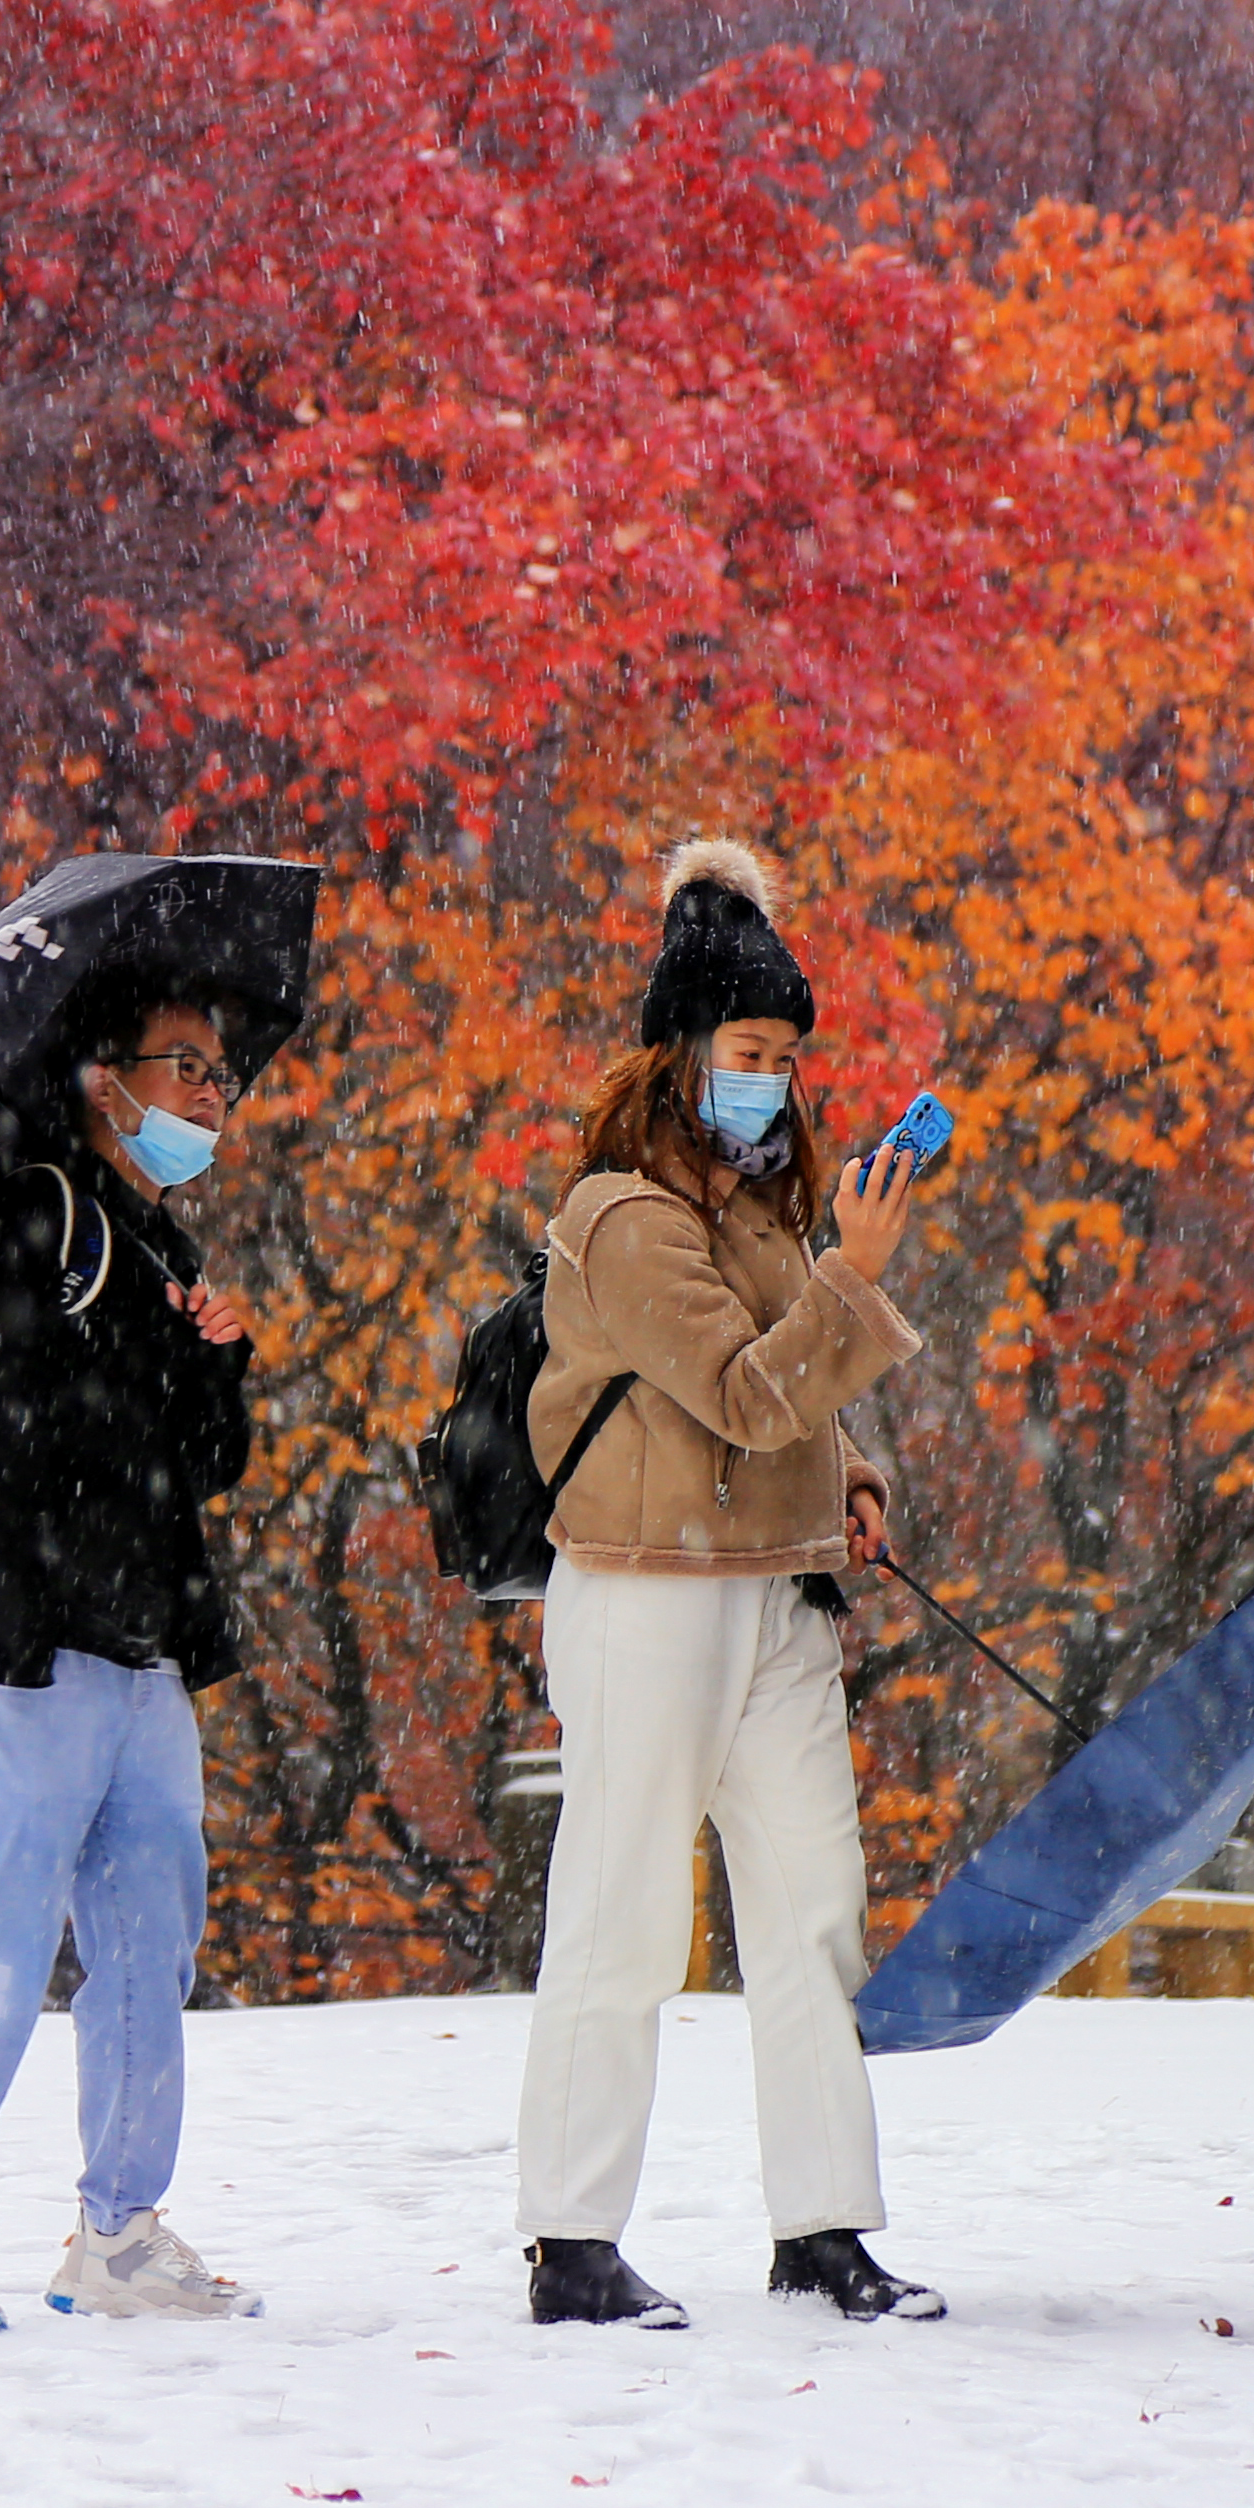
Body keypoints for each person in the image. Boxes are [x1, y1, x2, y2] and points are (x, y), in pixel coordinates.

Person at [515, 839, 945, 2329]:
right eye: (753, 1051)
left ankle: (821, 2226)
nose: (777, 1079)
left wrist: (854, 1474)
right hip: (647, 1592)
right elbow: (744, 1394)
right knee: (625, 1908)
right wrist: (859, 1278)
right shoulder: (623, 1221)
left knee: (812, 1902)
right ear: (686, 1050)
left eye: (788, 1056)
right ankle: (570, 2242)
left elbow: (796, 1410)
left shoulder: (764, 1209)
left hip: (776, 1586)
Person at [0, 975, 267, 2336]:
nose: (211, 1097)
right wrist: (140, 1380)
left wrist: (215, 1360)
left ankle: (120, 2233)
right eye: (185, 1066)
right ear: (105, 1078)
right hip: (11, 1630)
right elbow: (8, 1426)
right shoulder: (20, 1209)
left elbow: (196, 1465)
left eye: (222, 1074)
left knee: (154, 1928)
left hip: (135, 1640)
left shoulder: (157, 1243)